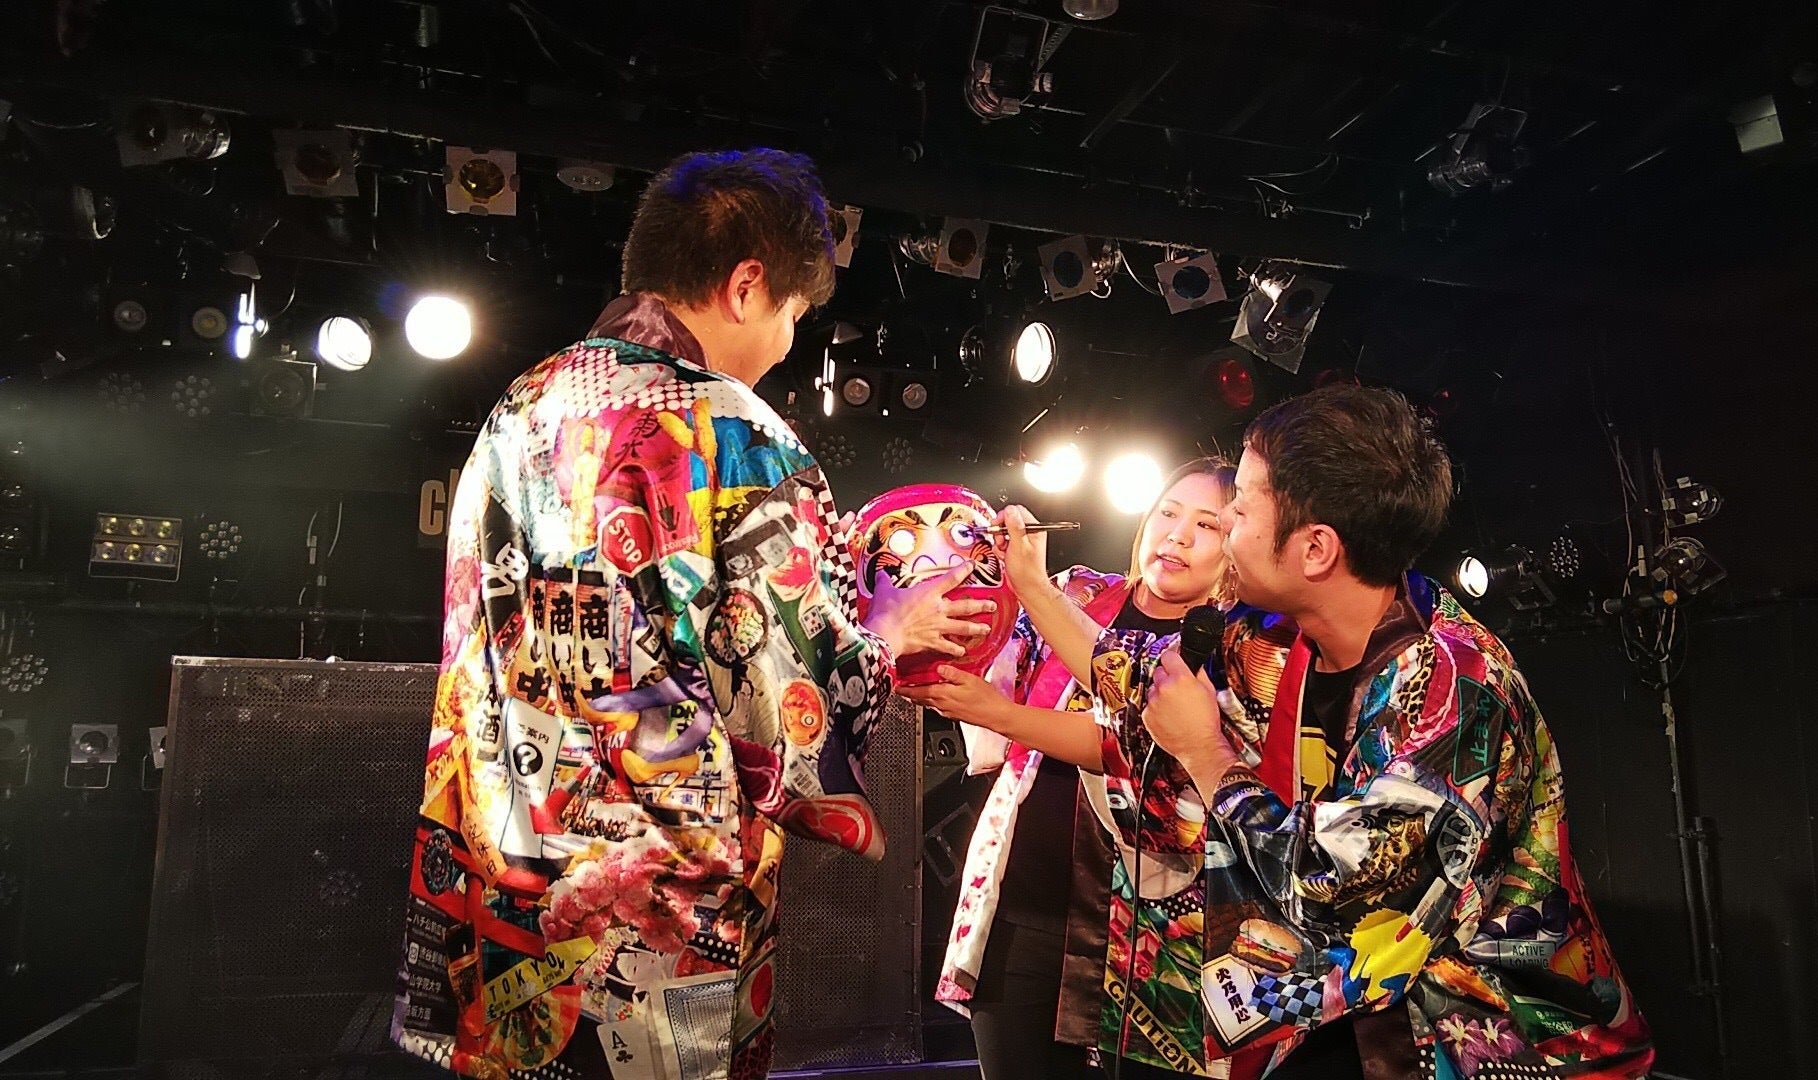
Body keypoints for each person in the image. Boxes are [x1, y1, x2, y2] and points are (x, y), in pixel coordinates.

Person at [390, 148, 992, 1080]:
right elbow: (786, 717)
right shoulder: (734, 431)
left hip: (496, 863)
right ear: (746, 286)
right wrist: (888, 633)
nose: (786, 343)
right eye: (792, 314)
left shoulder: (524, 403)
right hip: (650, 912)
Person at [1001, 385, 1654, 1079]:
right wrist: (1032, 588)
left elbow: (1335, 892)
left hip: (1477, 1046)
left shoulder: (1450, 689)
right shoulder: (1268, 638)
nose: (1224, 521)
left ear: (1315, 549)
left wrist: (1206, 753)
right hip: (1340, 1027)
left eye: (1240, 505)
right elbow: (1142, 686)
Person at [902, 459, 1237, 1079]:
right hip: (1022, 909)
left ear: (1237, 544)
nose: (1178, 535)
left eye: (1207, 524)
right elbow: (980, 647)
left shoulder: (1231, 647)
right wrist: (927, 564)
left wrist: (1000, 712)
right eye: (1168, 512)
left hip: (1154, 929)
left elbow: (1128, 740)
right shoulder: (1080, 592)